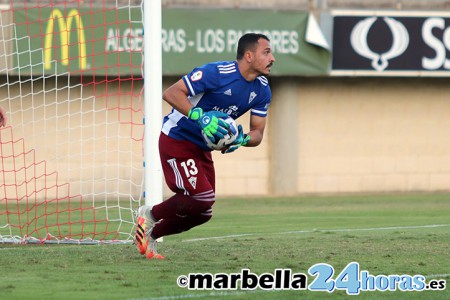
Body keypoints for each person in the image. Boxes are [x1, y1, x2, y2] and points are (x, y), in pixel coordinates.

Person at [135, 33, 275, 259]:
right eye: (266, 52)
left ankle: (151, 235)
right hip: (177, 139)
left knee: (204, 212)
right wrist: (199, 116)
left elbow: (258, 133)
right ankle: (149, 215)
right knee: (202, 197)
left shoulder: (262, 89)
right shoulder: (217, 73)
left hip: (202, 149)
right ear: (249, 56)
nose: (272, 58)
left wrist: (241, 139)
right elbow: (171, 93)